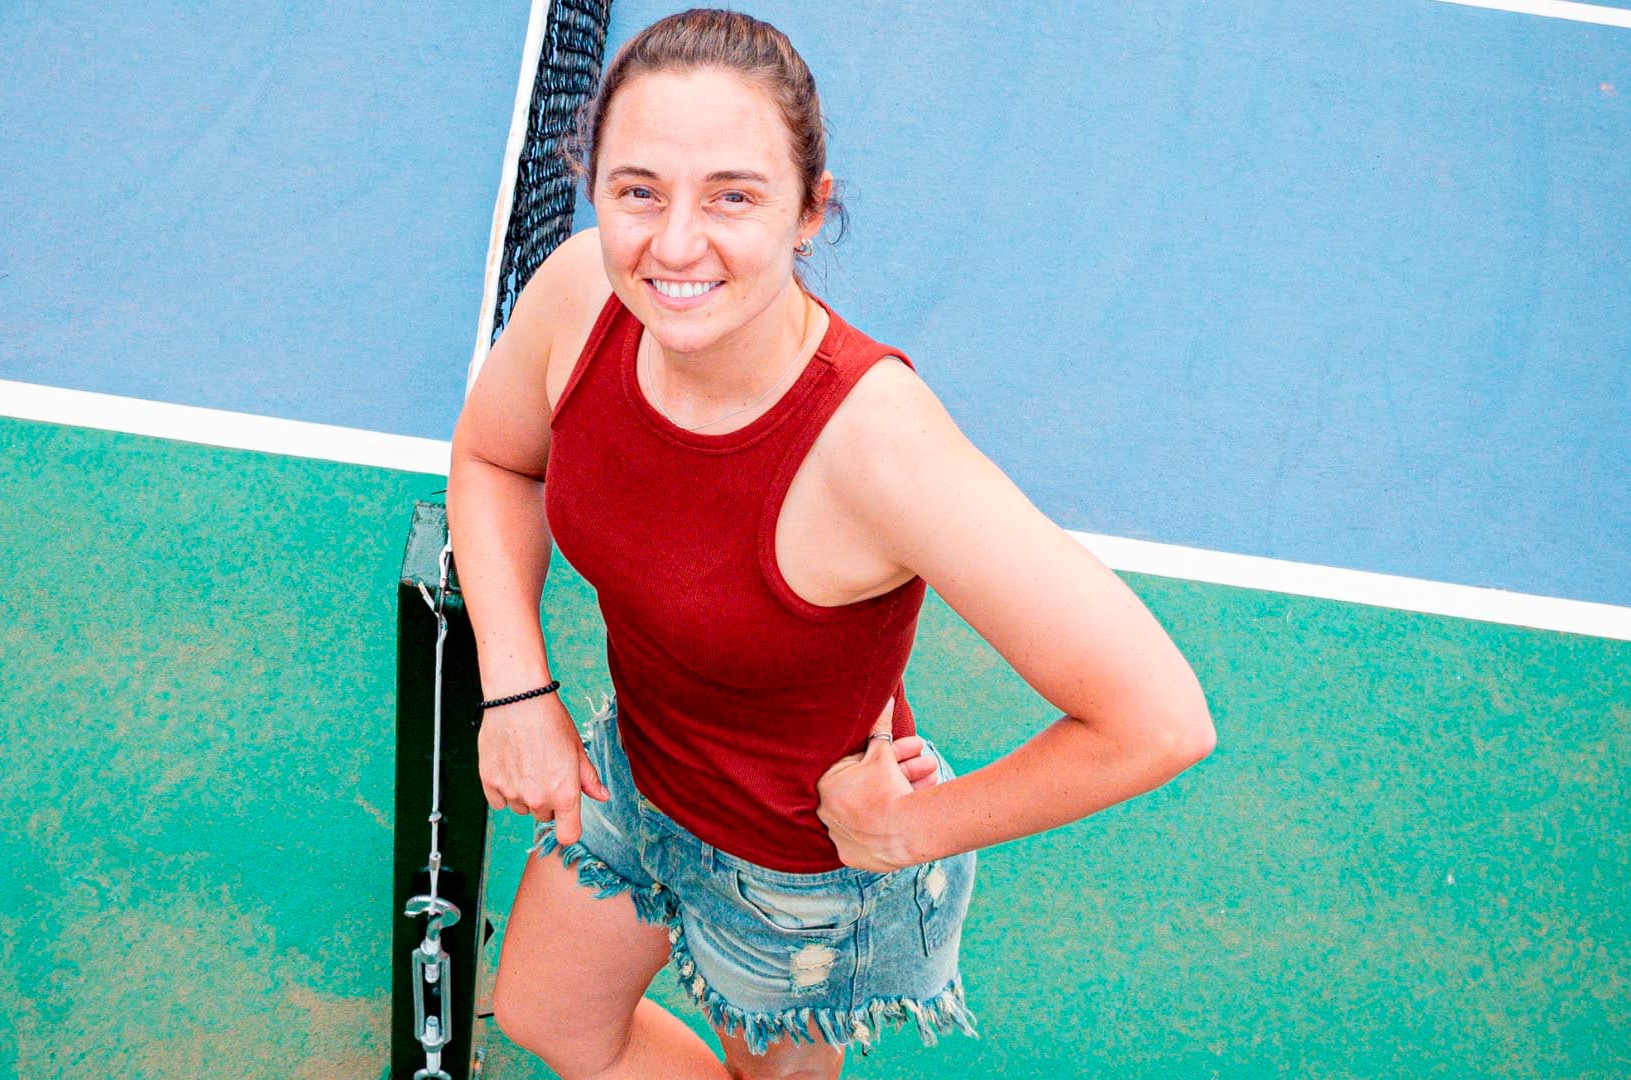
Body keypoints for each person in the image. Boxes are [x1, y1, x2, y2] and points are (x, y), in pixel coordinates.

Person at [447, 9, 1215, 1079]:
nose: (672, 244)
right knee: (546, 1017)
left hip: (805, 875)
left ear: (811, 211)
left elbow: (1160, 720)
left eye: (732, 196)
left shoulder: (877, 446)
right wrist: (518, 691)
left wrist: (908, 835)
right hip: (634, 774)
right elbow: (493, 464)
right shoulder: (583, 295)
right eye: (638, 191)